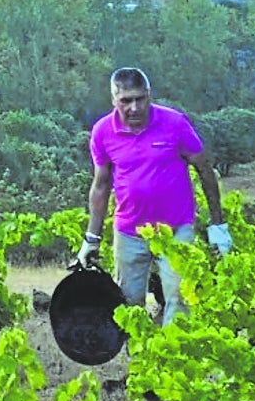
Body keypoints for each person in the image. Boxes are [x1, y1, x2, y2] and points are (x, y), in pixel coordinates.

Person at [78, 67, 229, 325]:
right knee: (127, 305)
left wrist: (218, 224)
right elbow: (101, 185)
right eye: (126, 101)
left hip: (176, 228)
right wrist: (91, 239)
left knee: (181, 298)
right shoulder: (102, 132)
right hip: (129, 232)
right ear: (114, 100)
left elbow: (205, 169)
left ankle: (176, 362)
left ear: (149, 95)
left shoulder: (175, 123)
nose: (134, 107)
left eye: (140, 98)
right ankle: (140, 363)